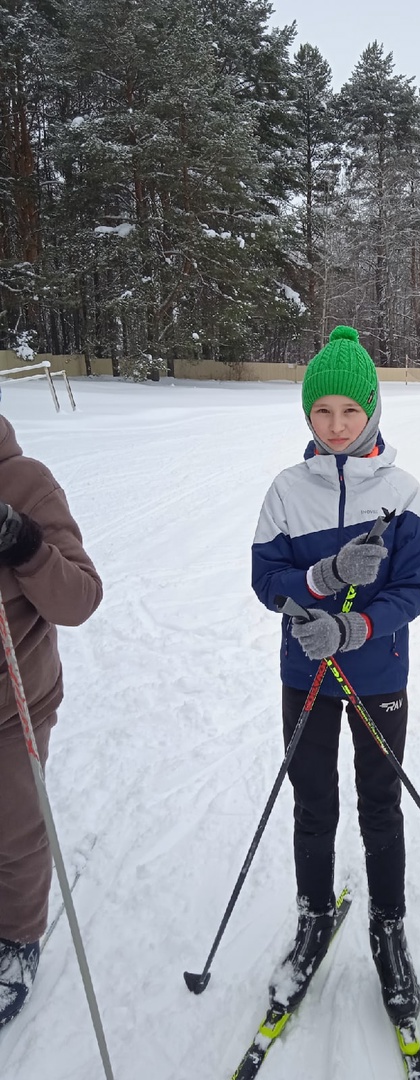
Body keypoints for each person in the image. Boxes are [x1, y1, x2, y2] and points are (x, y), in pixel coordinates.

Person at [251, 326, 420, 1024]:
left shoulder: (404, 493)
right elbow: (265, 578)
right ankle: (312, 917)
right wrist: (321, 578)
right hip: (305, 676)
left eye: (349, 412)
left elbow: (413, 591)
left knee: (380, 805)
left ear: (374, 411)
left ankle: (388, 927)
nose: (335, 426)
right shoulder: (286, 491)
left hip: (377, 676)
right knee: (313, 804)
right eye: (322, 411)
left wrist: (354, 627)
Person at [0, 401, 103, 1027]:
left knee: (15, 833)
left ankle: (16, 937)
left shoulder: (26, 482)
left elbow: (80, 598)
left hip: (14, 707)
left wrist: (24, 542)